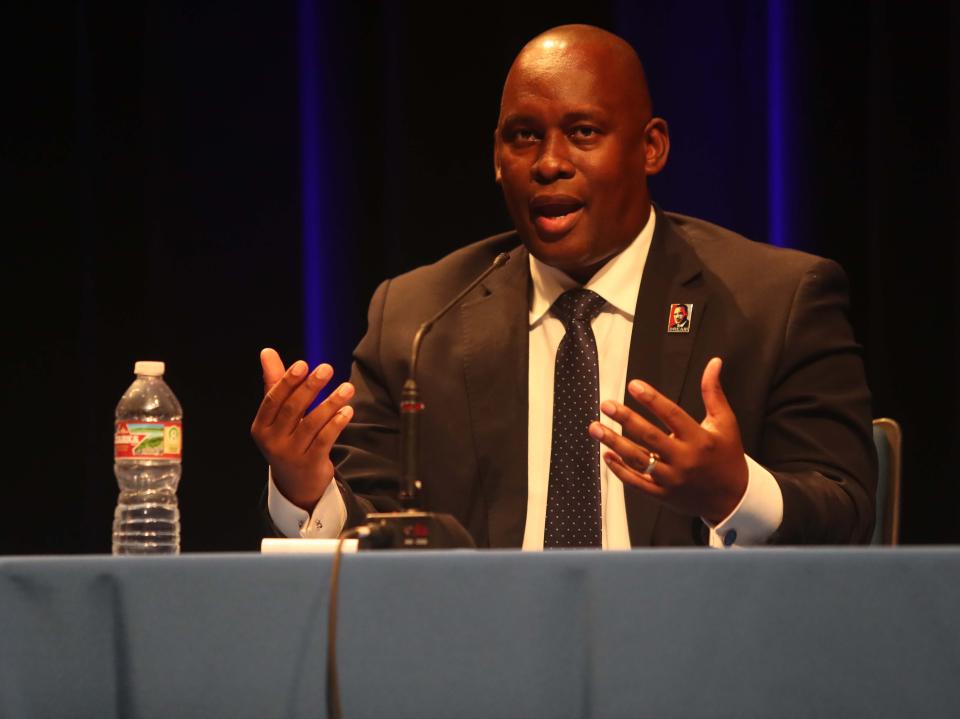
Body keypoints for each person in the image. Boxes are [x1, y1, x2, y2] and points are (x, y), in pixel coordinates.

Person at [251, 25, 876, 548]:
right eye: (524, 136)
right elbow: (380, 535)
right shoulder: (418, 319)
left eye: (583, 132)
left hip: (699, 662)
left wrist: (732, 491)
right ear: (497, 157)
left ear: (650, 147)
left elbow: (846, 510)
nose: (549, 162)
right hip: (483, 667)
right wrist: (307, 486)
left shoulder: (777, 300)